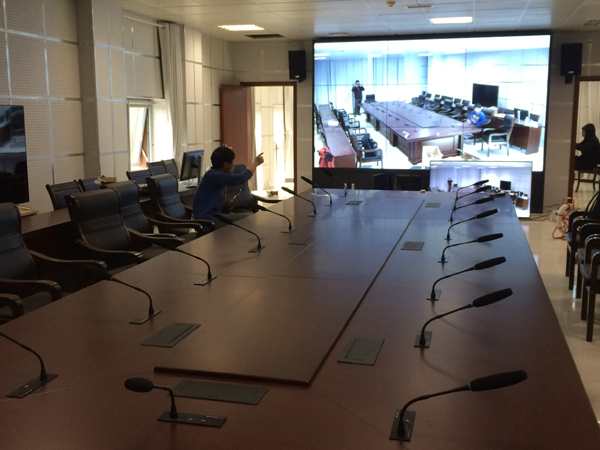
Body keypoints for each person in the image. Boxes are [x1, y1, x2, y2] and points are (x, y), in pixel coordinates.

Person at [193, 146, 264, 222]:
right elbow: (241, 178)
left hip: (215, 216)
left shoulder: (216, 175)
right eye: (232, 162)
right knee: (249, 218)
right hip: (207, 220)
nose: (233, 165)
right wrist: (255, 163)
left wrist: (228, 206)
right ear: (226, 164)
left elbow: (216, 207)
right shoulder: (213, 175)